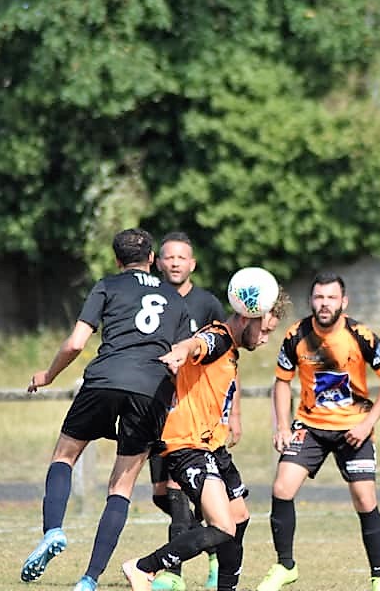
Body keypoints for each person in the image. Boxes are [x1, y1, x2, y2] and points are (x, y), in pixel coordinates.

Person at [19, 228, 191, 591]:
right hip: (150, 390)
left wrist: (48, 375)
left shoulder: (108, 286)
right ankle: (89, 578)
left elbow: (77, 342)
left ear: (117, 260)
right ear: (152, 259)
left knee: (64, 457)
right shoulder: (175, 299)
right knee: (122, 485)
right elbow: (180, 357)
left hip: (104, 379)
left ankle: (52, 531)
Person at [120, 281, 291, 591]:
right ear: (246, 318)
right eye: (264, 330)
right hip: (187, 445)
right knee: (222, 526)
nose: (266, 339)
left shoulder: (231, 348)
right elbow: (196, 344)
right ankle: (143, 567)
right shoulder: (219, 339)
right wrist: (180, 352)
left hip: (213, 446)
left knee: (238, 518)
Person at [256, 272, 380, 591]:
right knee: (282, 487)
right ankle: (285, 566)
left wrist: (367, 423)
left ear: (343, 302)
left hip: (354, 429)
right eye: (319, 297)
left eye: (331, 298)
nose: (324, 304)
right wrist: (281, 425)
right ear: (311, 301)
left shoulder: (361, 335)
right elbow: (282, 381)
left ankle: (379, 577)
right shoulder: (296, 334)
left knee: (365, 499)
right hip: (310, 426)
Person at [150, 231, 227, 591]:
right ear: (158, 262)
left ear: (192, 264)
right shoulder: (151, 301)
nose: (175, 263)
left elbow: (228, 364)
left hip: (194, 419)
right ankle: (211, 541)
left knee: (179, 494)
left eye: (182, 257)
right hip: (156, 411)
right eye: (169, 257)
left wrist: (233, 416)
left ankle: (171, 575)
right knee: (161, 494)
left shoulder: (208, 305)